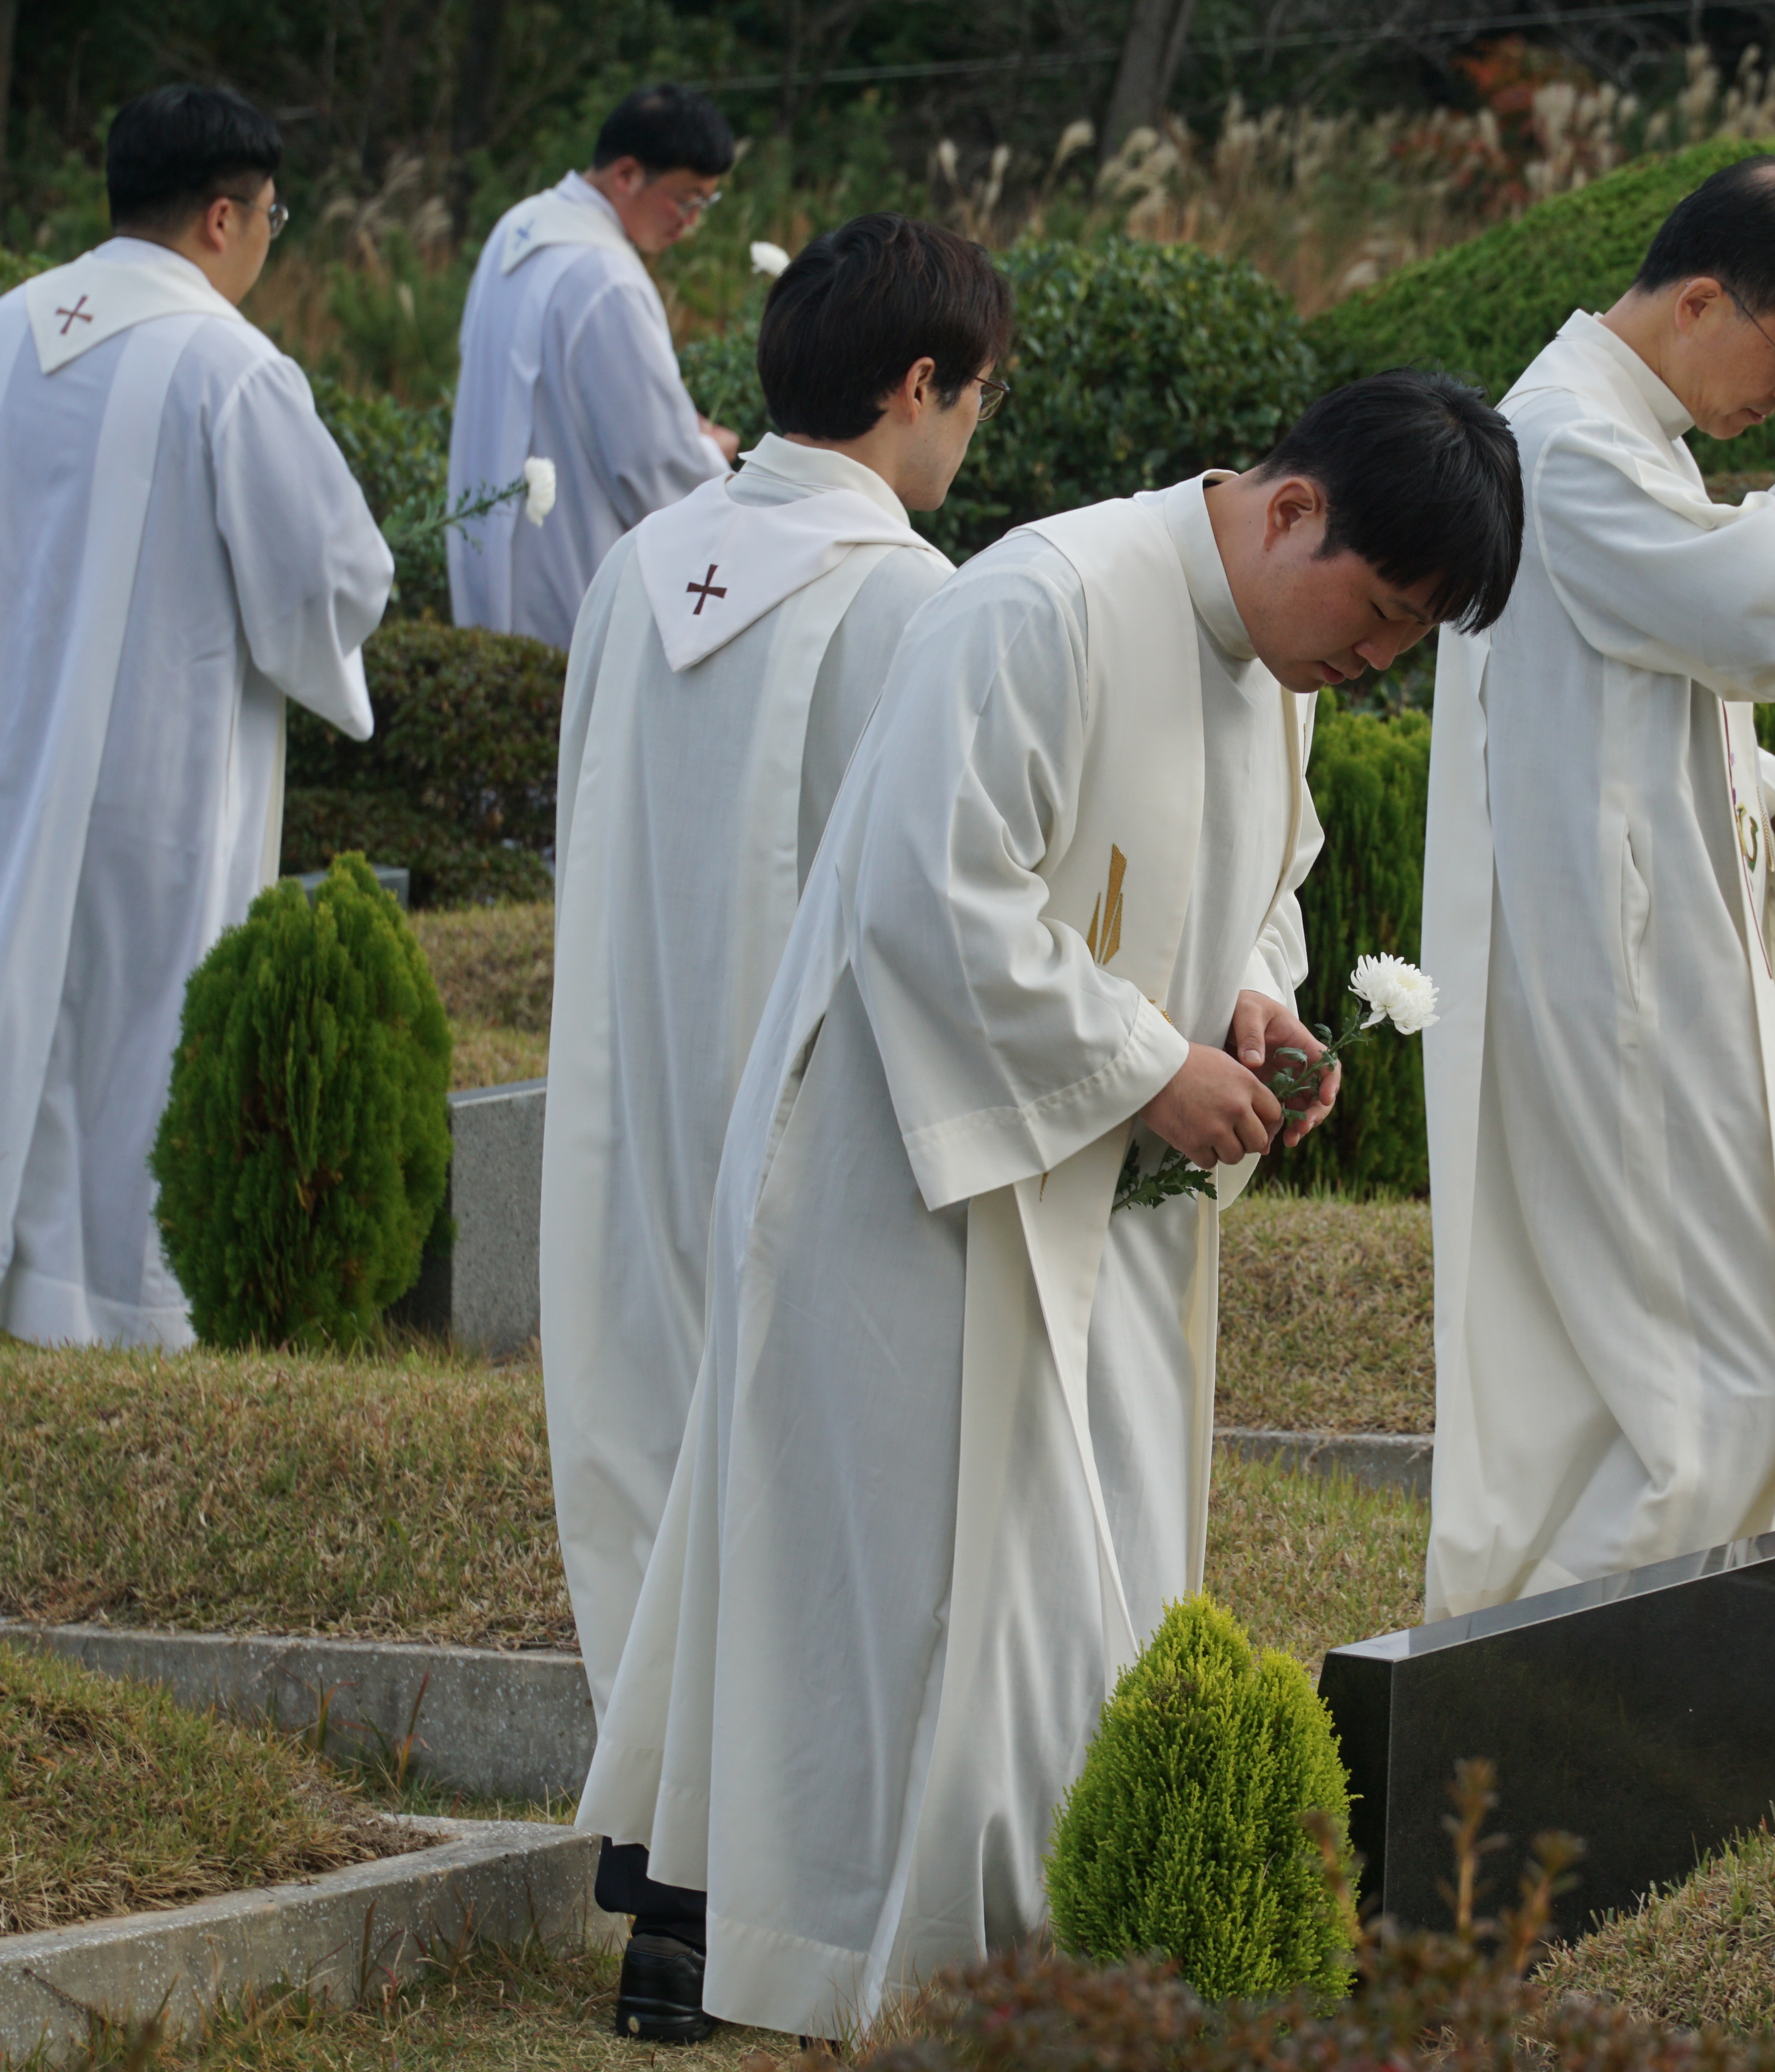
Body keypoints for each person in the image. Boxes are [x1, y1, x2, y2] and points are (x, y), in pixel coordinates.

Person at [573, 372, 1522, 2039]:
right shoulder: (1047, 597)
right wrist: (1146, 1061)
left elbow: (1251, 879)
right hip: (903, 1170)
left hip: (1086, 1179)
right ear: (1292, 508)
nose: (1366, 666)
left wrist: (1252, 1007)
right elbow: (931, 888)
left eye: (1401, 647)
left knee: (1042, 1587)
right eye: (1373, 619)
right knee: (869, 1577)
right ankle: (741, 1926)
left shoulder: (1269, 667)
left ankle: (985, 1931)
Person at [533, 213, 1007, 2030]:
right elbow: (940, 895)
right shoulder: (905, 599)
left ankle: (663, 1891)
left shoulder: (644, 561)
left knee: (663, 1450)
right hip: (803, 1130)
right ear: (917, 388)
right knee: (797, 1495)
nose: (970, 437)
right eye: (973, 401)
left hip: (633, 1101)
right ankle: (728, 1904)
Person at [1419, 155, 1775, 1623]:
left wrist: (1770, 791)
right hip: (1615, 983)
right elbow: (1755, 616)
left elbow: (1624, 690)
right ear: (1702, 297)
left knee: (1702, 1376)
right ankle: (1529, 1709)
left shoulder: (1610, 434)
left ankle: (1629, 1696)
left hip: (1641, 953)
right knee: (1719, 1382)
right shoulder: (1568, 443)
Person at [0, 85, 389, 1349]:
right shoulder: (231, 366)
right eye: (273, 217)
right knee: (136, 1021)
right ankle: (106, 1306)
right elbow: (331, 580)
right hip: (161, 762)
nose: (270, 239)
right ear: (222, 216)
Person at [448, 83, 743, 650]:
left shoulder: (518, 227)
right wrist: (713, 451)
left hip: (487, 555)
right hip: (565, 575)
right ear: (628, 175)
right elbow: (655, 467)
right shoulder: (607, 280)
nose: (691, 223)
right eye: (687, 201)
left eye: (705, 205)